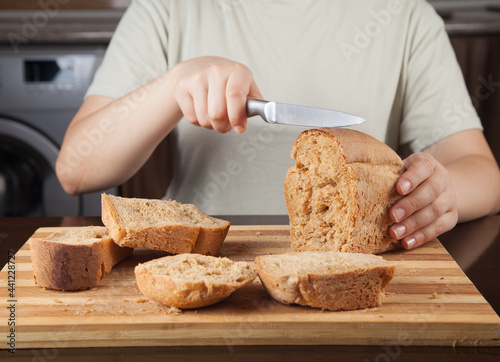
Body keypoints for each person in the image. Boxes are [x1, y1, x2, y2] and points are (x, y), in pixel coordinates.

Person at [56, 0, 500, 250]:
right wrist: (172, 86)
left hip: (348, 259)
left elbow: (482, 172)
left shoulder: (404, 15)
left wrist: (444, 193)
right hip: (194, 257)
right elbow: (76, 170)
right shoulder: (167, 9)